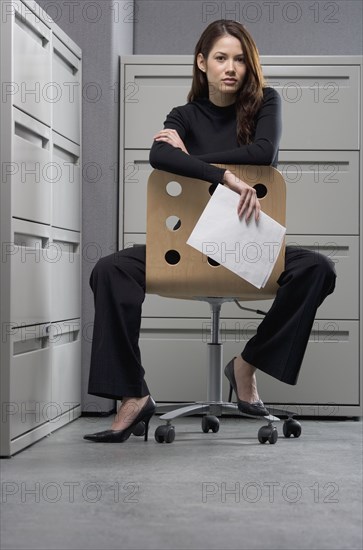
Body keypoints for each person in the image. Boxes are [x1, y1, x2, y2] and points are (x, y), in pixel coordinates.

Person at [84, 20, 336, 443]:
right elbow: (157, 155)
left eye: (239, 58)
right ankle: (132, 396)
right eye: (220, 57)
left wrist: (196, 161)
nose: (231, 67)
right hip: (186, 249)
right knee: (110, 269)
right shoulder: (183, 115)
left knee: (318, 268)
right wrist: (225, 175)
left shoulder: (266, 104)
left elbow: (264, 153)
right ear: (202, 63)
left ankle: (246, 365)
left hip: (247, 247)